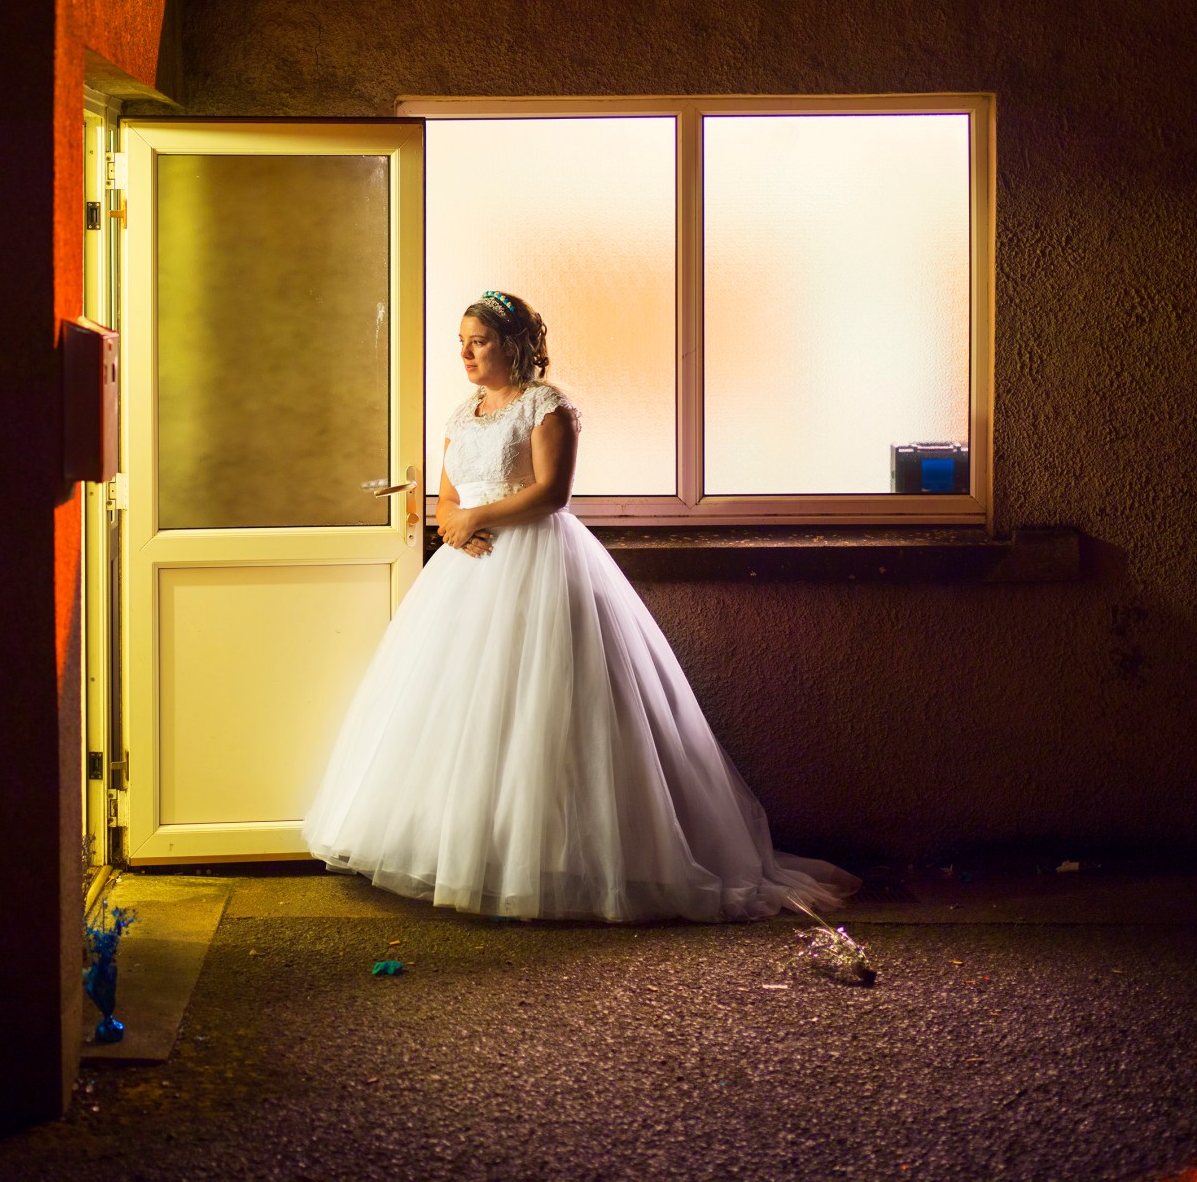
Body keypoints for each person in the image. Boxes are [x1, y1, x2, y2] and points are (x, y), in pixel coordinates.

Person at [302, 290, 859, 922]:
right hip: (469, 574)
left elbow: (552, 493)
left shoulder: (547, 405)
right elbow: (449, 492)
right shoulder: (465, 413)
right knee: (470, 708)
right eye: (462, 340)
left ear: (513, 345)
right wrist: (451, 521)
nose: (465, 351)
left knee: (551, 706)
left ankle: (562, 859)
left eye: (478, 340)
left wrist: (476, 515)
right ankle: (481, 852)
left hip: (537, 562)